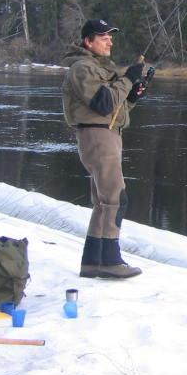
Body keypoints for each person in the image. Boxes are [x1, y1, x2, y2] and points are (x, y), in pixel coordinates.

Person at [61, 18, 150, 279]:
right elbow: (102, 103)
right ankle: (110, 260)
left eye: (111, 36)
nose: (110, 41)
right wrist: (128, 79)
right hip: (97, 136)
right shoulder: (82, 68)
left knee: (103, 202)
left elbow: (116, 107)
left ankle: (93, 262)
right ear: (88, 41)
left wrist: (133, 93)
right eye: (103, 37)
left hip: (106, 134)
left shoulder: (97, 67)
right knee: (114, 198)